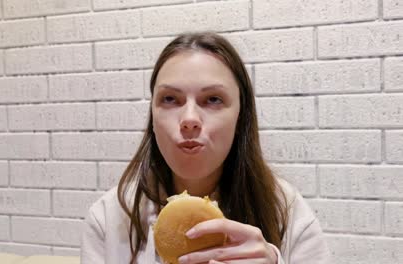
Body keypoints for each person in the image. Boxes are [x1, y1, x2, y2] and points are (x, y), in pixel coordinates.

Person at [81, 32, 331, 264]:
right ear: (152, 118)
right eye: (170, 99)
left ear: (240, 117)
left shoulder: (286, 211)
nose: (189, 119)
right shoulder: (108, 218)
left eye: (213, 99)